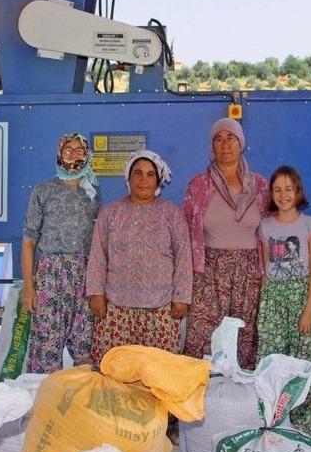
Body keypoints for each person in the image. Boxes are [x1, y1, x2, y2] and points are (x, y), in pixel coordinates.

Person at [86, 150, 192, 364]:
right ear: (128, 177)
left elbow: (183, 257)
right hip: (116, 310)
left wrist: (181, 297)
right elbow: (98, 255)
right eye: (138, 173)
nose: (143, 180)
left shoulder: (171, 214)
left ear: (158, 180)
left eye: (150, 174)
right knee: (115, 369)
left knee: (158, 370)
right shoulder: (111, 212)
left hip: (160, 309)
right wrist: (96, 293)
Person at [182, 117, 269, 370]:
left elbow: (271, 230)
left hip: (249, 274)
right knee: (204, 337)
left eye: (231, 138)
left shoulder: (260, 186)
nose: (225, 144)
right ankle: (200, 392)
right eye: (218, 139)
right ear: (211, 146)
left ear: (241, 143)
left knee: (244, 337)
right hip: (208, 273)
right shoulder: (199, 184)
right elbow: (185, 230)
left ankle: (241, 393)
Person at [21, 132, 101, 373]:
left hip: (84, 277)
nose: (73, 155)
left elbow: (98, 238)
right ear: (59, 154)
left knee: (86, 346)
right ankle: (43, 395)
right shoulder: (44, 190)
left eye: (79, 151)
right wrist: (29, 287)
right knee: (46, 346)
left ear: (87, 155)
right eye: (68, 150)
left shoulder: (92, 191)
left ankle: (83, 395)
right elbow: (29, 241)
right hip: (50, 276)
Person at [256, 165, 311, 435]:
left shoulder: (309, 225)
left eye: (288, 189)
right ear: (271, 194)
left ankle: (302, 425)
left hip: (301, 298)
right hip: (273, 298)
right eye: (277, 190)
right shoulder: (265, 226)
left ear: (297, 192)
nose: (283, 195)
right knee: (270, 358)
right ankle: (272, 420)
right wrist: (264, 307)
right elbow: (266, 269)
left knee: (304, 360)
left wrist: (309, 309)